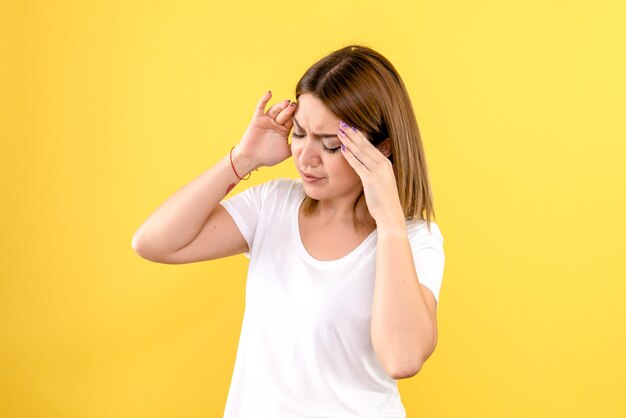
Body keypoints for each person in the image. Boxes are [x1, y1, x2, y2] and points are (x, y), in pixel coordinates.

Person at [132, 44, 445, 418]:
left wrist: (390, 219)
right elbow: (152, 243)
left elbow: (402, 357)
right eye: (299, 134)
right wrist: (241, 160)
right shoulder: (273, 205)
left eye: (330, 145)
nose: (305, 157)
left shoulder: (414, 239)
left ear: (381, 150)